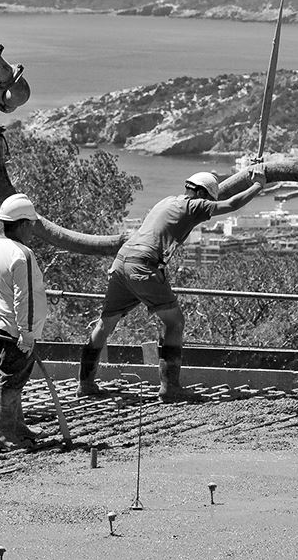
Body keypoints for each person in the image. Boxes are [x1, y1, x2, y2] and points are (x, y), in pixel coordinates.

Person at [79, 167, 267, 402]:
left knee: (105, 323)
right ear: (202, 194)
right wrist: (258, 185)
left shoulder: (167, 201)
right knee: (175, 322)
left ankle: (85, 384)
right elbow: (231, 205)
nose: (207, 205)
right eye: (208, 199)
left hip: (121, 262)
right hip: (144, 265)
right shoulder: (194, 205)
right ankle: (170, 388)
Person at [0, 193, 52, 450]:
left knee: (6, 379)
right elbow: (26, 298)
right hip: (14, 329)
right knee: (10, 382)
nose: (33, 230)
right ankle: (3, 434)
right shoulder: (22, 254)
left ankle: (16, 426)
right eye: (31, 224)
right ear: (22, 224)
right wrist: (27, 332)